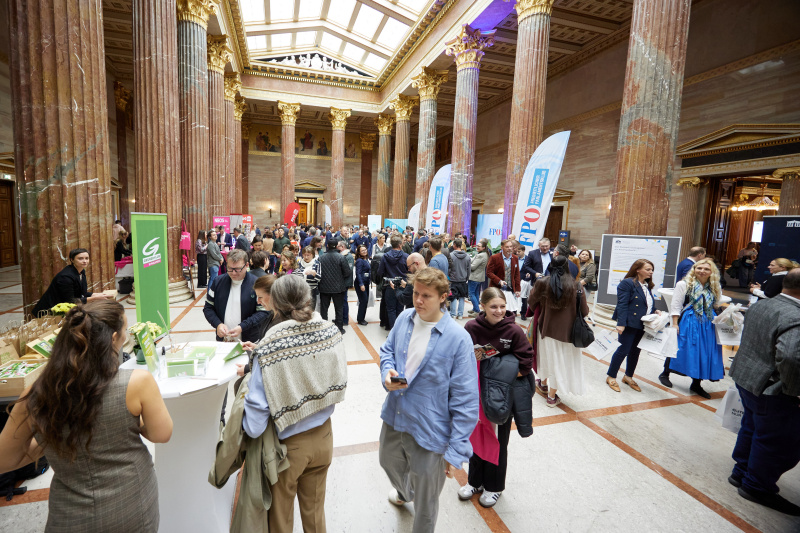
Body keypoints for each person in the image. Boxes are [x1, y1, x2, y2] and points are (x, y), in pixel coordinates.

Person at [0, 300, 173, 531]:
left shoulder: (36, 394)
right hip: (132, 502)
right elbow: (161, 433)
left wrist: (50, 436)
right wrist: (133, 420)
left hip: (70, 513)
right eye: (124, 332)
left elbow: (5, 459)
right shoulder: (137, 383)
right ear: (113, 339)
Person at [243, 275, 348, 532]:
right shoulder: (330, 330)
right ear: (308, 298)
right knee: (315, 514)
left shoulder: (271, 344)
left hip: (287, 446)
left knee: (281, 518)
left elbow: (255, 422)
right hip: (324, 436)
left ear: (276, 303)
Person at [378, 268, 479, 532]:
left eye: (426, 296)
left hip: (430, 428)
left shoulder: (458, 339)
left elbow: (466, 400)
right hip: (396, 414)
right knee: (387, 460)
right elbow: (387, 351)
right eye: (415, 293)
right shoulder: (404, 318)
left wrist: (455, 451)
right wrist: (387, 372)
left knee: (426, 500)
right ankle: (405, 491)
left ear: (443, 297)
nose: (418, 300)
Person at [728, 268, 800, 516]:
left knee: (752, 427)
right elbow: (791, 358)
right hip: (773, 388)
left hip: (747, 378)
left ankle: (741, 472)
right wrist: (794, 391)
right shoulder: (796, 316)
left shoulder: (763, 305)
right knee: (777, 440)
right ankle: (757, 486)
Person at [459, 287, 533, 507]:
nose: (499, 311)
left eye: (502, 306)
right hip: (475, 394)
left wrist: (501, 379)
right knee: (476, 436)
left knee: (498, 441)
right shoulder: (471, 327)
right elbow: (462, 356)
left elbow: (526, 362)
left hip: (501, 397)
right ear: (482, 306)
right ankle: (474, 481)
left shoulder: (514, 331)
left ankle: (494, 486)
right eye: (493, 306)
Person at [658, 259, 723, 398]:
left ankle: (696, 383)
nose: (702, 271)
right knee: (679, 346)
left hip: (707, 322)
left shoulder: (714, 286)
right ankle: (665, 374)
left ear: (712, 272)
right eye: (699, 268)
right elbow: (676, 305)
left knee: (703, 351)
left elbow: (715, 304)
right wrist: (675, 324)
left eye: (706, 269)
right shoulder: (684, 284)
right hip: (689, 319)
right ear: (694, 269)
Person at [530, 255, 589, 407]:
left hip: (545, 329)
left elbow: (531, 304)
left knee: (545, 357)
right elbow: (584, 311)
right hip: (568, 334)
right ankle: (551, 397)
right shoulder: (577, 286)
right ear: (568, 268)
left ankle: (543, 383)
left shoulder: (542, 282)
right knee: (560, 363)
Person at [606, 259, 658, 393]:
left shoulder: (646, 285)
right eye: (648, 269)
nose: (651, 272)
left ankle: (628, 376)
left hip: (643, 324)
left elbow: (647, 302)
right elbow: (622, 304)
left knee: (635, 351)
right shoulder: (627, 283)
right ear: (637, 270)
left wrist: (654, 310)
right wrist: (621, 323)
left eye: (652, 270)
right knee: (623, 350)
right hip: (629, 323)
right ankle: (611, 376)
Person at [203, 249, 269, 343]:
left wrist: (242, 327)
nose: (233, 273)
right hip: (224, 339)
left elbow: (263, 312)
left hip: (249, 340)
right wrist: (218, 324)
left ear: (246, 265)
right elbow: (208, 308)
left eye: (237, 269)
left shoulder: (256, 284)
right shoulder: (218, 282)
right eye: (230, 268)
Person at [32, 248, 109, 316]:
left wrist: (99, 294)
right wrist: (95, 298)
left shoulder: (81, 271)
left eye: (87, 258)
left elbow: (82, 293)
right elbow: (70, 301)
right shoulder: (65, 277)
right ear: (72, 260)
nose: (85, 261)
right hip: (49, 312)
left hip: (64, 309)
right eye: (80, 259)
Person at [318, 238, 351, 335]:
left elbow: (318, 272)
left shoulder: (321, 258)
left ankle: (324, 329)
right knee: (339, 308)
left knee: (324, 309)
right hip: (338, 288)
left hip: (324, 287)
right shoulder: (341, 257)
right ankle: (340, 328)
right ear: (337, 246)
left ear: (327, 246)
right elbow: (347, 272)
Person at [377, 235, 409, 330]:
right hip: (402, 285)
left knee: (390, 309)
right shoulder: (406, 256)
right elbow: (410, 270)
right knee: (400, 308)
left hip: (389, 285)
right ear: (400, 245)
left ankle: (393, 330)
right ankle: (398, 330)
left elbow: (380, 271)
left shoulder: (385, 256)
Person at [486, 240, 521, 305]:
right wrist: (499, 281)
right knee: (496, 307)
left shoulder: (515, 258)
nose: (509, 248)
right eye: (507, 247)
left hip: (510, 289)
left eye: (511, 246)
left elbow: (517, 275)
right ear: (502, 247)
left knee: (510, 309)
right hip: (497, 289)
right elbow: (489, 272)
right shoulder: (494, 257)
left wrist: (517, 289)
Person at [468, 239, 491, 317]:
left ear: (484, 247)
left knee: (471, 294)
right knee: (476, 293)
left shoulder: (481, 255)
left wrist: (465, 263)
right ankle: (475, 308)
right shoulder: (483, 254)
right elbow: (473, 261)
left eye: (479, 246)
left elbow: (473, 267)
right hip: (479, 277)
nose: (477, 247)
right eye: (477, 245)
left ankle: (477, 310)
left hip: (475, 277)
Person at [449, 238, 470, 319]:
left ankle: (453, 314)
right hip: (463, 280)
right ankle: (460, 314)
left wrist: (449, 277)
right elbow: (468, 269)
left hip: (453, 279)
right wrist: (466, 278)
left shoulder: (451, 255)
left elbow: (449, 268)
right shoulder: (467, 256)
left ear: (454, 245)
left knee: (453, 297)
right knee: (462, 297)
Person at [298, 246, 322, 310]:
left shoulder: (317, 264)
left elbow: (319, 278)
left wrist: (314, 274)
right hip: (301, 291)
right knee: (301, 309)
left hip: (312, 290)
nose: (306, 257)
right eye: (304, 255)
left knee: (311, 309)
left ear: (312, 255)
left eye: (308, 255)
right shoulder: (299, 263)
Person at [338, 240, 354, 326]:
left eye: (338, 246)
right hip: (342, 281)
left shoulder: (348, 256)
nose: (336, 248)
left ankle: (345, 320)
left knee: (344, 301)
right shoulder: (342, 255)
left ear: (342, 247)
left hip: (345, 282)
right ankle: (340, 318)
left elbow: (349, 270)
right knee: (340, 301)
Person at [354, 244, 371, 326]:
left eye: (365, 250)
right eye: (362, 251)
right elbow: (358, 273)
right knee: (363, 301)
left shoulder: (366, 259)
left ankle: (362, 318)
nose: (364, 251)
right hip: (361, 283)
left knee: (365, 301)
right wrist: (361, 284)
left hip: (366, 283)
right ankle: (360, 319)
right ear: (359, 252)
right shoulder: (359, 261)